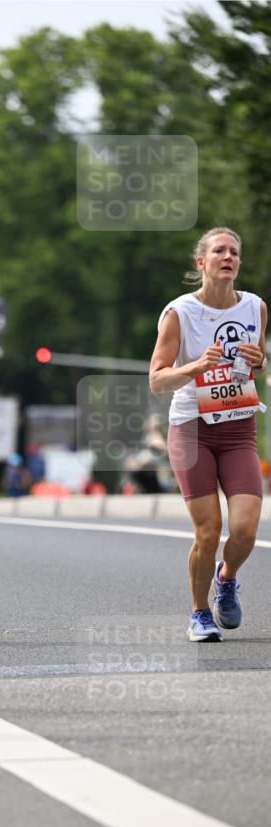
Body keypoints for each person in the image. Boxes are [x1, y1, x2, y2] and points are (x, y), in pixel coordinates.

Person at [149, 227, 267, 642]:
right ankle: (199, 613)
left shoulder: (255, 307)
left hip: (237, 429)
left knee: (247, 529)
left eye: (234, 251)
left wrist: (258, 363)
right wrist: (194, 368)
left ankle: (227, 576)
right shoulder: (179, 313)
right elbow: (157, 380)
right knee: (208, 530)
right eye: (219, 250)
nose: (228, 257)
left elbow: (255, 367)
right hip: (191, 430)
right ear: (202, 262)